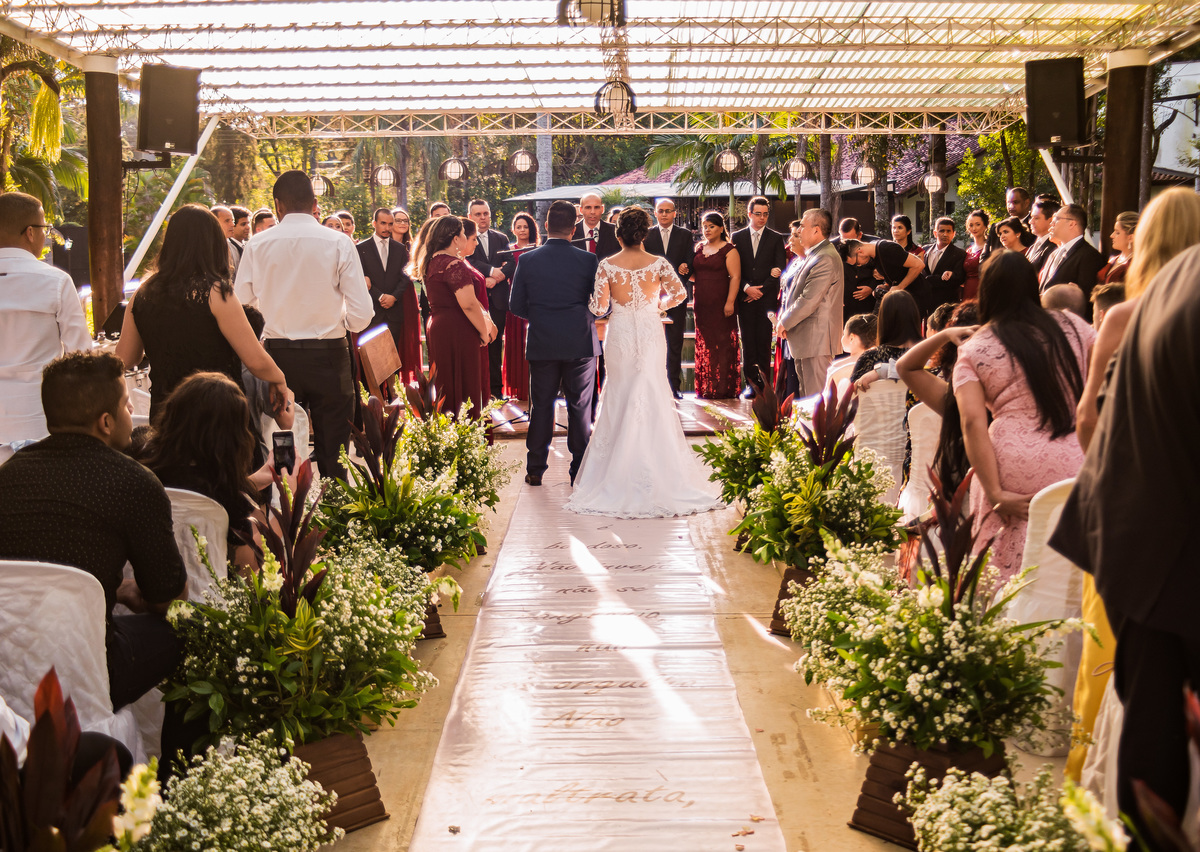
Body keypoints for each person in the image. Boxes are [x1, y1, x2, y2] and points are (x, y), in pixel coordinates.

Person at [1048, 244, 1200, 845]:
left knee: (1153, 720)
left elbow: (1097, 415)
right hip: (1165, 537)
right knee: (1157, 725)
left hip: (1139, 528)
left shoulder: (1170, 283)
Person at [0, 350, 186, 712]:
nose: (132, 416)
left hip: (6, 663)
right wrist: (126, 592)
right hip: (91, 668)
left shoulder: (7, 476)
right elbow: (168, 598)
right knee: (186, 630)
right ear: (105, 421)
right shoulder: (133, 483)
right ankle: (172, 764)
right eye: (128, 406)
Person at [566, 207, 721, 518]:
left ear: (619, 235)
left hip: (620, 332)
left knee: (620, 394)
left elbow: (597, 307)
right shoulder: (659, 263)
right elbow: (679, 295)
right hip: (650, 330)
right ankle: (657, 469)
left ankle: (616, 472)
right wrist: (656, 305)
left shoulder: (607, 265)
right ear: (644, 235)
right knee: (650, 390)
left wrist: (608, 305)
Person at [953, 249, 1094, 583]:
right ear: (1035, 285)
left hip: (1010, 464)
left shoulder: (975, 348)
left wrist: (995, 491)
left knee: (1005, 562)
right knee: (1072, 565)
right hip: (1077, 456)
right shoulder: (1074, 326)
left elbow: (973, 423)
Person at [234, 170, 374, 482]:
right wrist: (338, 322)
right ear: (314, 203)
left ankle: (286, 520)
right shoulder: (339, 242)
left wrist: (273, 320)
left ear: (277, 206)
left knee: (283, 450)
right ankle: (337, 519)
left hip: (277, 361)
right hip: (330, 357)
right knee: (334, 453)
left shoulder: (257, 245)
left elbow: (243, 307)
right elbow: (362, 314)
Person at [118, 204, 288, 419]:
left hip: (167, 413)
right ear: (212, 244)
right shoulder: (215, 293)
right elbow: (254, 359)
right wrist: (279, 378)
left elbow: (126, 358)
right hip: (215, 412)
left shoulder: (143, 293)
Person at [509, 200, 600, 487]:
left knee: (542, 406)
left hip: (542, 341)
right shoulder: (587, 260)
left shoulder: (528, 259)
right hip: (579, 342)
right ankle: (578, 470)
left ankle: (535, 469)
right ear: (574, 229)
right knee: (579, 407)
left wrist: (540, 317)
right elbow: (599, 304)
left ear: (546, 226)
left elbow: (515, 304)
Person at [137, 372, 264, 569]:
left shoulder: (143, 465)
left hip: (146, 583)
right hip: (209, 592)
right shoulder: (228, 497)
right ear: (233, 439)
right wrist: (288, 502)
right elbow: (250, 572)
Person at [0, 191, 92, 445]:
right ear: (30, 232)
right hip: (38, 419)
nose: (46, 235)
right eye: (45, 229)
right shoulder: (55, 281)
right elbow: (81, 356)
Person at [412, 215, 495, 420]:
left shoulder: (432, 261)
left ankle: (450, 432)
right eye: (463, 234)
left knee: (447, 382)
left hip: (441, 326)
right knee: (464, 381)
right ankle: (464, 433)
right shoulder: (453, 264)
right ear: (455, 238)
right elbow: (468, 303)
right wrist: (484, 332)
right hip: (457, 328)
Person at [775, 209, 843, 397]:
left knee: (816, 398)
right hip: (807, 337)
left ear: (816, 230)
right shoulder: (813, 255)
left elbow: (809, 299)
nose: (799, 231)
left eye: (803, 227)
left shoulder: (825, 257)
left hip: (817, 338)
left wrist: (784, 321)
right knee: (807, 397)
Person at [731, 196, 786, 398]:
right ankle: (750, 384)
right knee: (748, 342)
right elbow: (734, 269)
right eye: (758, 214)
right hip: (744, 298)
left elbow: (780, 267)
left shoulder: (775, 237)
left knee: (764, 342)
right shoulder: (737, 237)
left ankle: (764, 385)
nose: (762, 218)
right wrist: (746, 288)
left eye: (765, 214)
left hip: (766, 299)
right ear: (749, 214)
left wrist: (760, 290)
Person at [644, 197, 694, 399]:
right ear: (655, 213)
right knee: (651, 342)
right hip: (651, 296)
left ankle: (674, 386)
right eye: (660, 210)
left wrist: (685, 267)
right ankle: (653, 387)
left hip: (677, 295)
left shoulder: (685, 235)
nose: (664, 214)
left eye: (668, 210)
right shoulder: (647, 235)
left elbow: (689, 259)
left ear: (675, 213)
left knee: (675, 342)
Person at [690, 211, 741, 399]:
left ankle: (723, 388)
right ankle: (707, 386)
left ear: (721, 228)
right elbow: (696, 276)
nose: (707, 230)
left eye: (711, 226)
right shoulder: (699, 247)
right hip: (701, 303)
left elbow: (735, 277)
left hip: (721, 303)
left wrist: (730, 302)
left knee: (723, 344)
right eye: (705, 226)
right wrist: (685, 272)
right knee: (708, 344)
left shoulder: (729, 249)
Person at [466, 200, 510, 399]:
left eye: (485, 213)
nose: (482, 217)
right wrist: (491, 273)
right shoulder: (465, 239)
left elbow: (512, 261)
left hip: (499, 300)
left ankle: (496, 390)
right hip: (477, 300)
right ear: (470, 217)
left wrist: (498, 277)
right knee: (477, 345)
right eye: (478, 214)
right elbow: (469, 261)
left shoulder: (501, 238)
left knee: (496, 346)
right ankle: (479, 391)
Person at [356, 207, 412, 356]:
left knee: (393, 358)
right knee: (371, 360)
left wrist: (394, 297)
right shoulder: (360, 248)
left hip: (394, 312)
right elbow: (361, 276)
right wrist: (380, 296)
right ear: (374, 223)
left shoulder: (400, 249)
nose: (387, 228)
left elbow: (405, 277)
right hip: (371, 312)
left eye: (390, 224)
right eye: (383, 223)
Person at [501, 212, 539, 400]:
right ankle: (517, 387)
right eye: (519, 227)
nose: (522, 230)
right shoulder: (508, 250)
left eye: (526, 227)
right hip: (514, 302)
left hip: (535, 301)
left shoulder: (538, 249)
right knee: (515, 344)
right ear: (513, 229)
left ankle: (533, 387)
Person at [1039, 204, 1105, 312]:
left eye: (1056, 219)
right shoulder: (1053, 254)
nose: (1051, 223)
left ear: (1072, 224)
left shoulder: (1089, 256)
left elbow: (1088, 298)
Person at [843, 237, 926, 307]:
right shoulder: (874, 251)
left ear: (860, 251)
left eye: (857, 263)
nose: (859, 265)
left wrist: (900, 286)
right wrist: (887, 286)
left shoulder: (887, 248)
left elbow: (919, 265)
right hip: (902, 299)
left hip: (916, 297)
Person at [833, 217, 878, 319]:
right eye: (843, 239)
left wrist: (872, 287)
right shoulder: (833, 246)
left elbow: (882, 273)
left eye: (850, 239)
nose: (847, 243)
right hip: (844, 304)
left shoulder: (873, 245)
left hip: (867, 303)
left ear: (860, 235)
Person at [922, 216, 967, 311]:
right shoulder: (925, 250)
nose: (945, 234)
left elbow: (959, 278)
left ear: (953, 234)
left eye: (948, 231)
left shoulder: (960, 254)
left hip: (946, 305)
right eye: (942, 231)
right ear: (935, 233)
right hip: (925, 302)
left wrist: (933, 279)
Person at [985, 187, 1037, 255]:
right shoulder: (996, 227)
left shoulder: (1035, 226)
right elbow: (985, 256)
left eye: (1015, 202)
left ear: (1026, 203)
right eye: (1008, 202)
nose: (1011, 206)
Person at [572, 192, 620, 259]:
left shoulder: (615, 231)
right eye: (588, 207)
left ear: (602, 209)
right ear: (581, 210)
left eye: (596, 207)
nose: (592, 212)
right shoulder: (571, 232)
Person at [1097, 210, 1137, 287]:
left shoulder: (1135, 264)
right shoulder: (1114, 259)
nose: (1111, 235)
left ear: (1130, 237)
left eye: (1117, 232)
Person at [1025, 197, 1060, 275]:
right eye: (1031, 217)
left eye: (1036, 218)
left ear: (1051, 220)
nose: (1031, 221)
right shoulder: (1033, 246)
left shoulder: (1054, 246)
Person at [963, 209, 988, 300]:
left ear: (985, 226)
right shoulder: (968, 250)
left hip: (983, 289)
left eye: (978, 224)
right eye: (971, 225)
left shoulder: (990, 248)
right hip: (968, 289)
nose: (974, 228)